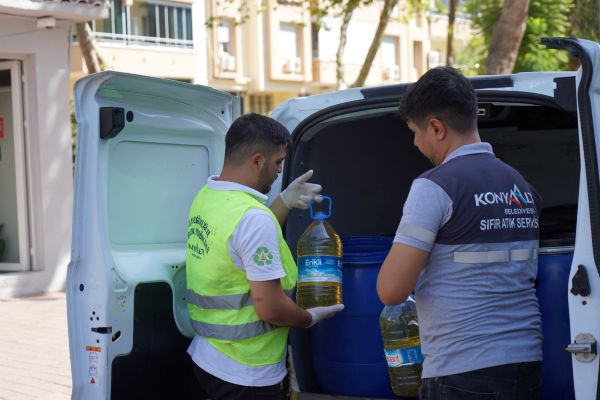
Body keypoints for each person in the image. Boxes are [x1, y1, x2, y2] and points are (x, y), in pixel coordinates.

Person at [377, 67, 542, 399]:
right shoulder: (521, 185)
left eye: (415, 132)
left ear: (436, 128)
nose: (415, 142)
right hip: (525, 362)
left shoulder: (434, 187)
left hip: (462, 369)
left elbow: (391, 290)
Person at [186, 113, 344, 400]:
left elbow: (242, 242)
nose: (279, 170)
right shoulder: (252, 218)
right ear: (257, 161)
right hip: (247, 371)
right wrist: (308, 318)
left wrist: (284, 201)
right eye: (278, 162)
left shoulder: (207, 197)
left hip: (208, 357)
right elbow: (270, 307)